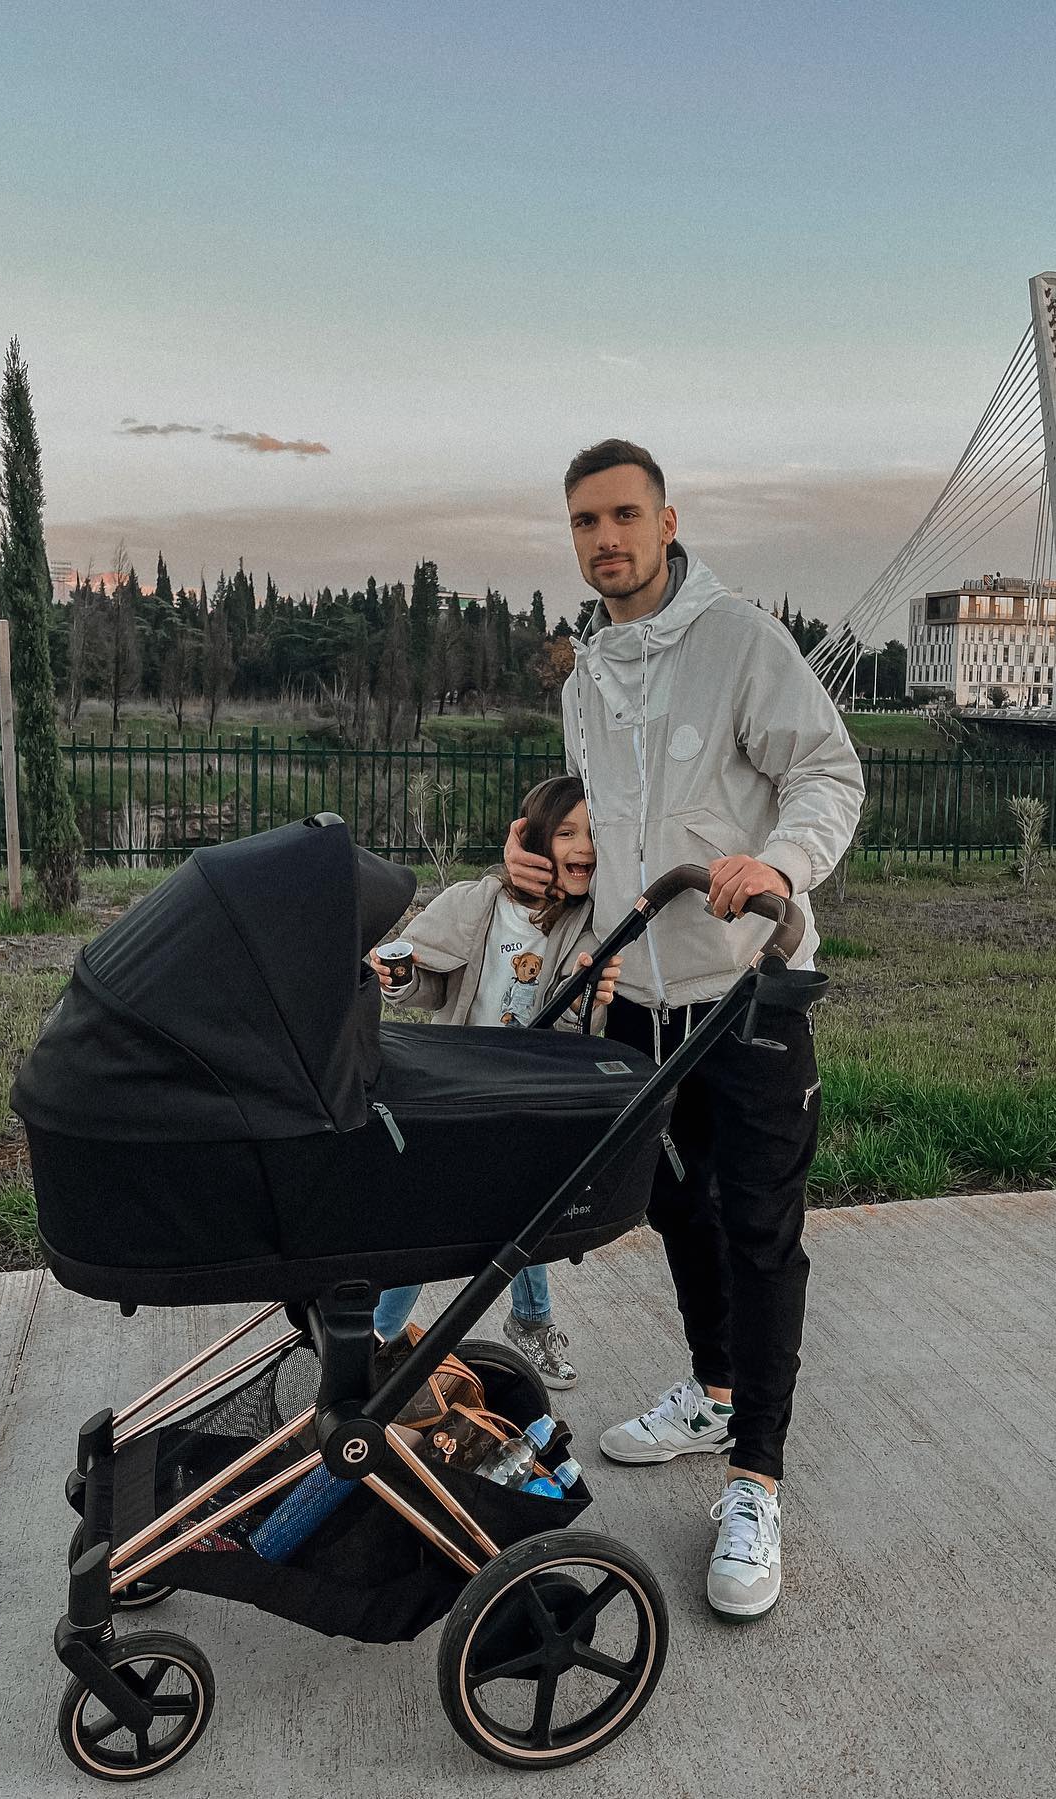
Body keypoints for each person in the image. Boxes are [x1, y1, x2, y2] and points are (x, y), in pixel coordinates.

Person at [504, 439, 864, 1619]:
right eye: (584, 521)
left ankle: (756, 1478)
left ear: (667, 522)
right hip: (637, 1004)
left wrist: (780, 863)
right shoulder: (586, 675)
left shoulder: (741, 641)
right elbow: (596, 829)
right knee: (671, 1204)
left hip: (747, 991)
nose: (604, 538)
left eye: (623, 515)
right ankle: (714, 1389)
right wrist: (536, 857)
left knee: (758, 1229)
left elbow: (828, 773)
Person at [369, 774, 621, 1389]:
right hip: (461, 1082)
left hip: (528, 1088)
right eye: (567, 832)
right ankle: (378, 1335)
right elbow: (431, 983)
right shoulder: (475, 904)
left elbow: (578, 1029)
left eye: (594, 834)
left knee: (527, 1207)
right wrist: (400, 978)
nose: (583, 847)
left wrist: (588, 1002)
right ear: (534, 839)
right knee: (430, 1211)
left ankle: (530, 1321)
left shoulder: (590, 926)